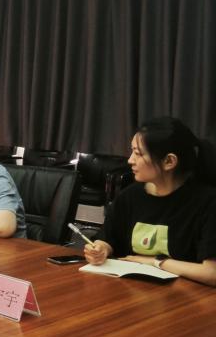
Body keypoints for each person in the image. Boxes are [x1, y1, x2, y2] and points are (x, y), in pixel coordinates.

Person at [83, 117, 216, 286]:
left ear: (169, 161)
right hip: (128, 290)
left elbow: (212, 273)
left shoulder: (207, 203)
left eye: (138, 154)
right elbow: (108, 238)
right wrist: (100, 249)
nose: (130, 160)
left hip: (184, 295)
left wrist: (156, 262)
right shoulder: (130, 196)